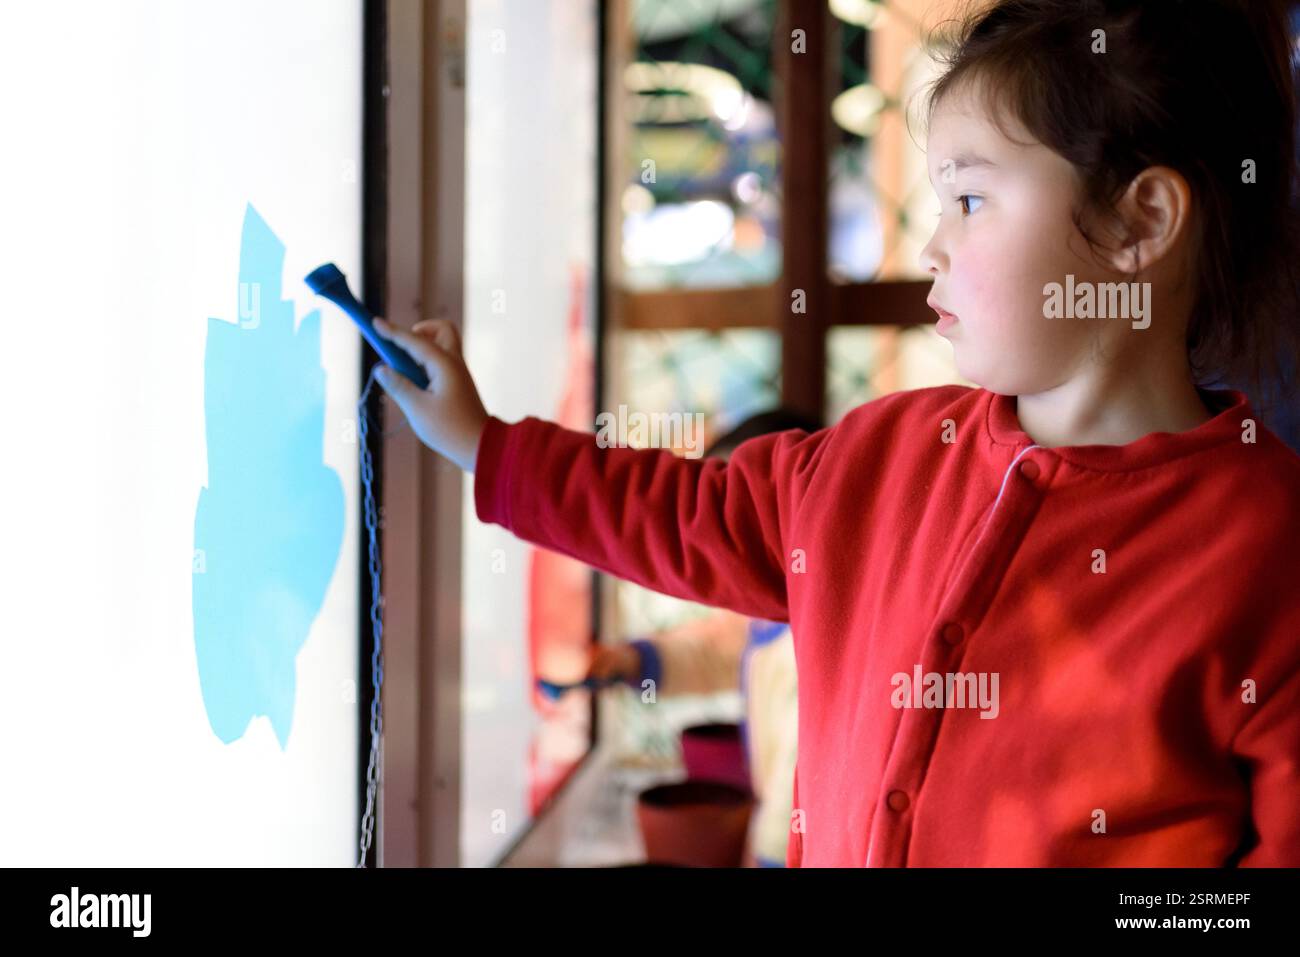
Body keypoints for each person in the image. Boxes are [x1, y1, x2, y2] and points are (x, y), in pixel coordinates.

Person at [371, 0, 1300, 866]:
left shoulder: (1266, 546)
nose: (932, 247)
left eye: (970, 202)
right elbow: (681, 512)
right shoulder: (878, 457)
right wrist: (485, 443)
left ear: (1140, 222)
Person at [586, 409, 823, 868]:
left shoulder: (811, 645)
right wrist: (635, 662)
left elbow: (801, 787)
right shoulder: (773, 616)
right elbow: (721, 650)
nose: (716, 546)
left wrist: (768, 855)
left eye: (733, 521)